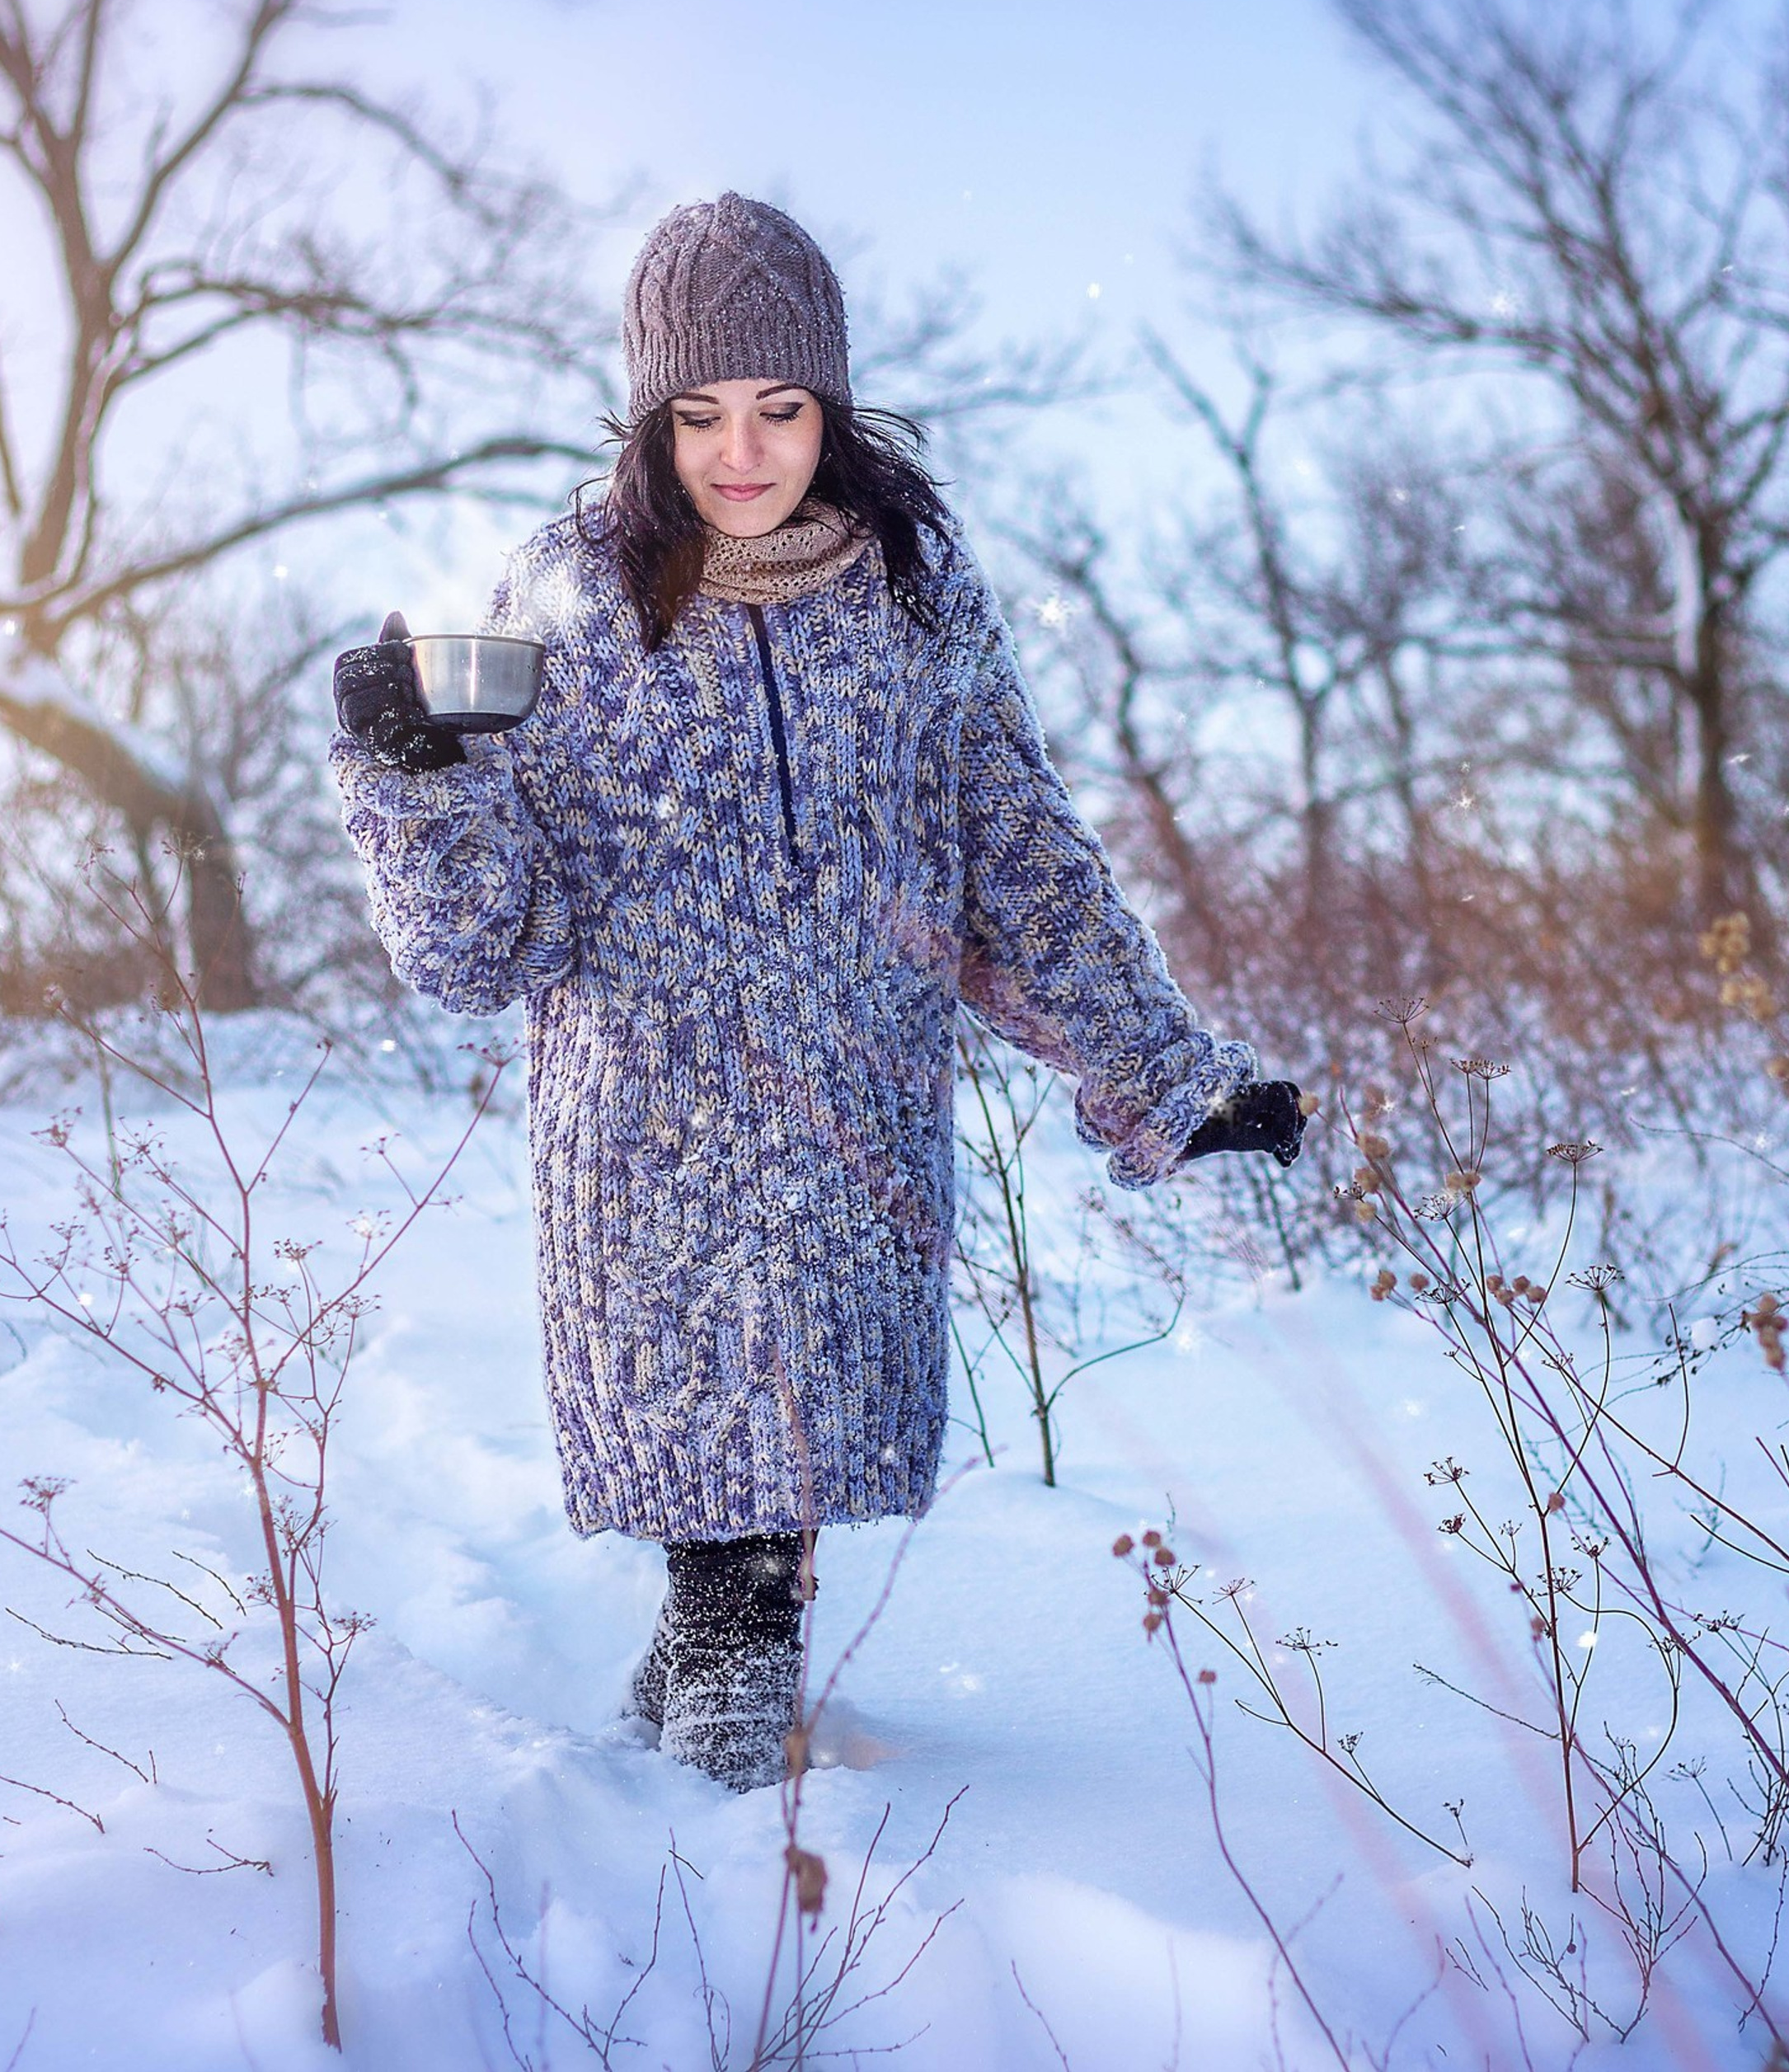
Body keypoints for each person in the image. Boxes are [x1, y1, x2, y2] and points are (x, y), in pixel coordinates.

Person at [331, 193, 1308, 1792]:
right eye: (698, 413)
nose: (740, 449)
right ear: (645, 420)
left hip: (853, 1128)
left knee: (767, 1520)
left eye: (777, 408)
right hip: (645, 1147)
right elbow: (475, 945)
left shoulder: (916, 599)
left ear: (830, 409)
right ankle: (718, 1913)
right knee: (730, 1562)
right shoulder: (567, 596)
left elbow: (1021, 870)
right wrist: (415, 774)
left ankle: (691, 1757)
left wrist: (1166, 1074)